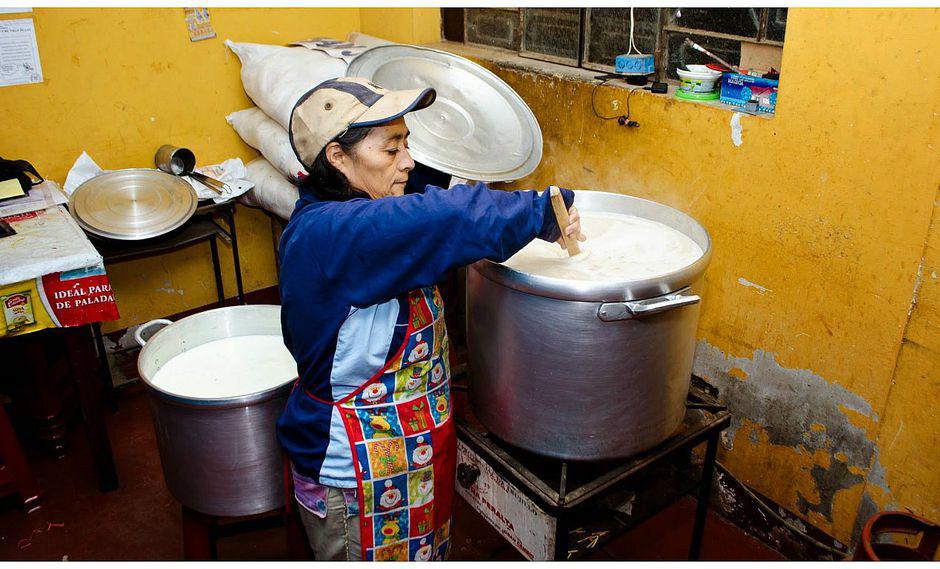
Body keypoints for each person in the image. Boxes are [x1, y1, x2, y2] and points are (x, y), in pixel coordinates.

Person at [276, 77, 585, 561]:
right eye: (391, 149)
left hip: (408, 455)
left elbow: (425, 197)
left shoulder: (364, 205)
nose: (408, 162)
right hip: (355, 474)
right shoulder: (330, 234)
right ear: (337, 157)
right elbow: (443, 218)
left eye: (407, 144)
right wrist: (539, 210)